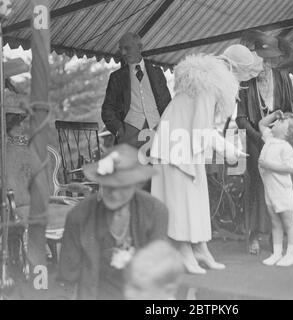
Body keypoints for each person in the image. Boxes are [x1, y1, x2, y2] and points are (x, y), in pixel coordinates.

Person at [150, 44, 259, 274]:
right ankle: (183, 251)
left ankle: (200, 248)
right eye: (240, 75)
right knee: (180, 201)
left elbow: (201, 128)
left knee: (196, 199)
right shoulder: (208, 85)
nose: (240, 82)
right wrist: (227, 149)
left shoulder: (207, 80)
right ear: (231, 68)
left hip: (184, 146)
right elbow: (201, 128)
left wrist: (224, 147)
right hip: (174, 148)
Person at [236, 31, 293, 254]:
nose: (264, 67)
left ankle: (277, 233)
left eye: (268, 62)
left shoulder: (282, 78)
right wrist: (260, 137)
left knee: (285, 183)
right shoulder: (246, 82)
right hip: (255, 141)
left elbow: (291, 108)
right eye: (260, 62)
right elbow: (241, 118)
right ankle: (254, 234)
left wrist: (286, 132)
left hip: (282, 140)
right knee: (259, 187)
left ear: (273, 61)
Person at [58, 144, 168, 300]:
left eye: (122, 185)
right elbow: (66, 280)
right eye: (109, 184)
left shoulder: (154, 211)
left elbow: (159, 274)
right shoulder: (79, 216)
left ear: (137, 184)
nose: (115, 193)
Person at [101, 32, 171, 149]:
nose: (123, 53)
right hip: (130, 136)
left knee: (159, 167)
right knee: (133, 167)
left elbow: (168, 104)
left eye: (127, 48)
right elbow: (107, 110)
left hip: (158, 132)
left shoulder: (157, 73)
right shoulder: (116, 77)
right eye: (121, 49)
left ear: (139, 47)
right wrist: (120, 131)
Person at [258, 110, 293, 266]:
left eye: (281, 121)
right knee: (275, 223)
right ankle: (277, 253)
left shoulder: (286, 147)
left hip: (282, 192)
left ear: (288, 133)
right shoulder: (270, 138)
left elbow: (289, 168)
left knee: (288, 224)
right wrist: (273, 115)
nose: (276, 122)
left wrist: (268, 165)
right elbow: (262, 123)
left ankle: (291, 255)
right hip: (270, 190)